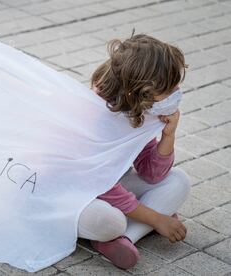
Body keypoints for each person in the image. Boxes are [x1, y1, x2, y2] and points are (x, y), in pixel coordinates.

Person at [77, 32, 191, 269]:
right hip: (73, 195)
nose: (177, 91)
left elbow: (152, 175)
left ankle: (124, 240)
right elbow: (104, 186)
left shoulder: (137, 111)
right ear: (139, 91)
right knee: (110, 221)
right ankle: (131, 227)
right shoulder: (96, 116)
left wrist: (168, 136)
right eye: (169, 88)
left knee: (179, 181)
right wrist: (157, 218)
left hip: (107, 189)